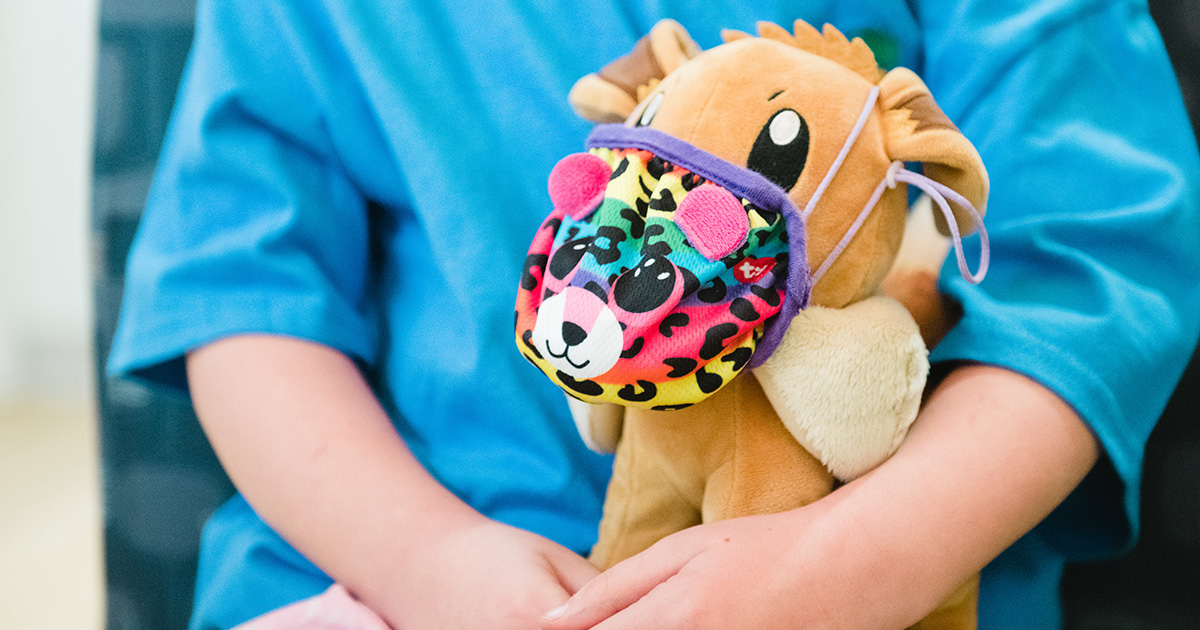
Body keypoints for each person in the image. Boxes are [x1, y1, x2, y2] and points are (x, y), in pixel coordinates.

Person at [107, 1, 1200, 629]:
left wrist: (850, 565)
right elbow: (246, 305)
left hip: (881, 579)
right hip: (388, 576)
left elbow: (1087, 269)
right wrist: (436, 568)